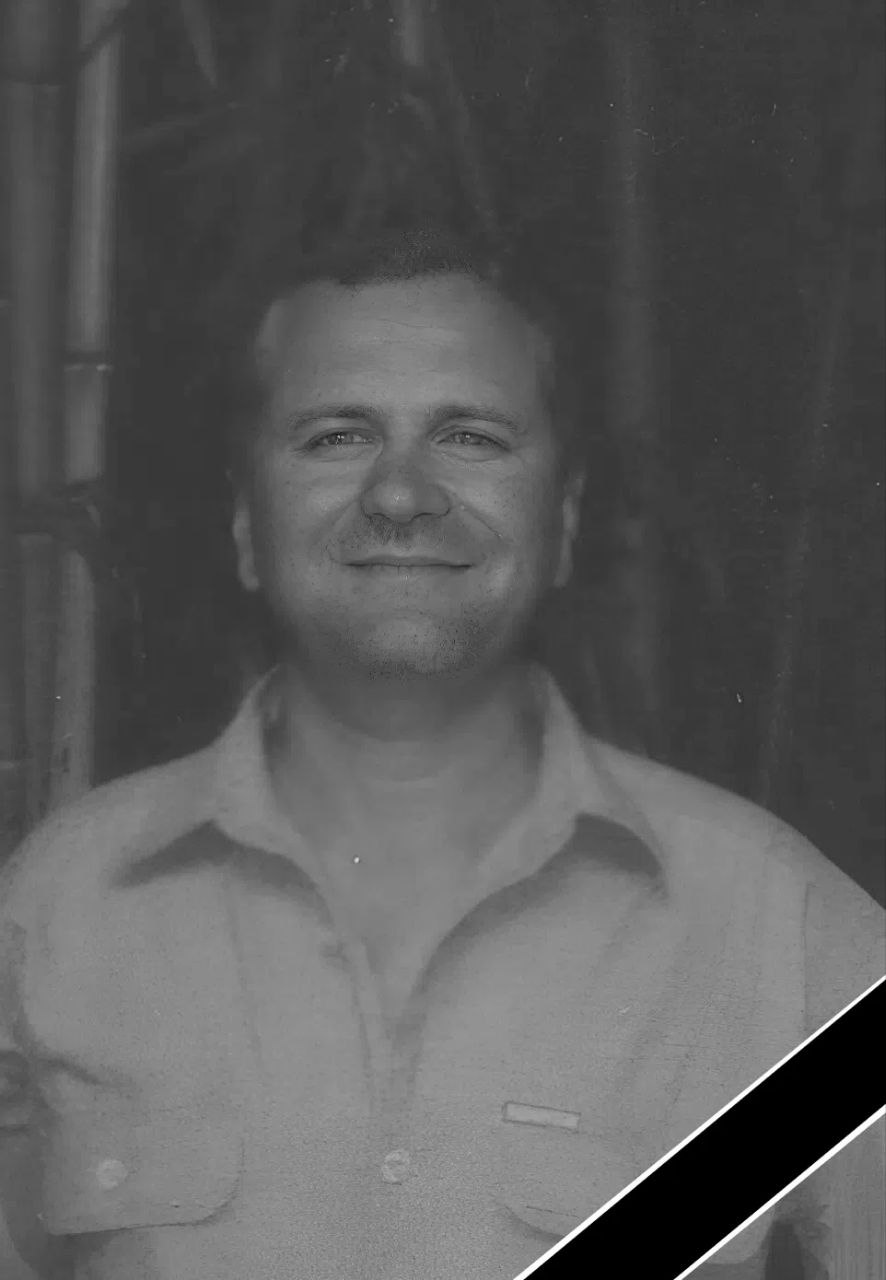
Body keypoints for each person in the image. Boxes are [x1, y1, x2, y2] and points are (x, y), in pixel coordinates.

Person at [0, 226, 883, 1280]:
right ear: (243, 519)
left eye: (470, 435)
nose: (400, 494)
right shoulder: (58, 911)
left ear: (564, 515)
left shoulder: (779, 930)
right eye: (336, 436)